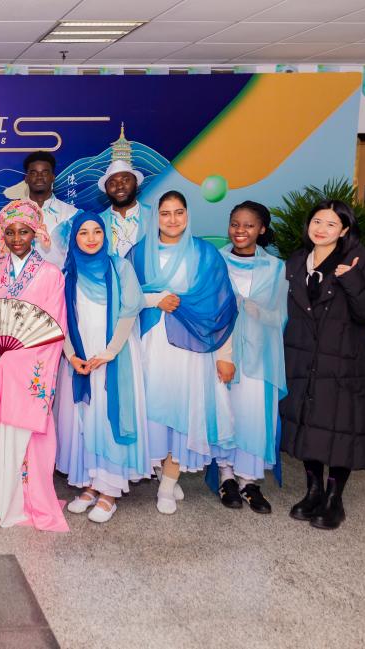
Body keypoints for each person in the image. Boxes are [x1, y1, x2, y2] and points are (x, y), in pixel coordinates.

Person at [128, 190, 239, 515]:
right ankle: (164, 471)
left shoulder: (205, 255)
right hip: (150, 345)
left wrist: (225, 355)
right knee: (153, 412)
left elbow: (222, 309)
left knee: (182, 412)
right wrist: (155, 299)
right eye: (165, 213)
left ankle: (168, 483)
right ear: (156, 217)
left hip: (192, 348)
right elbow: (124, 296)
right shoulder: (138, 254)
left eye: (179, 212)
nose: (172, 219)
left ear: (187, 215)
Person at [0, 199, 69, 532]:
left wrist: (19, 356)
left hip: (30, 369)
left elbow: (54, 327)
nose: (17, 238)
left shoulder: (51, 275)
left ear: (35, 233)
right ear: (2, 235)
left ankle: (26, 500)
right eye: (10, 232)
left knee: (28, 437)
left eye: (24, 231)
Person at [281, 200, 365, 530]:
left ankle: (334, 499)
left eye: (330, 224)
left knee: (341, 426)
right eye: (317, 221)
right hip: (303, 356)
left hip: (343, 360)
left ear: (344, 230)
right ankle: (313, 491)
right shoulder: (297, 261)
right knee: (309, 423)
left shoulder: (355, 261)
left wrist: (351, 279)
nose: (321, 229)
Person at [59, 214, 150, 523]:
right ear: (74, 238)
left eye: (97, 231)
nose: (91, 238)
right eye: (83, 232)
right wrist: (71, 355)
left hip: (114, 356)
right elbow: (61, 317)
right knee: (85, 419)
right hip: (81, 358)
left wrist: (110, 352)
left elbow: (130, 310)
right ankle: (89, 485)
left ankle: (109, 491)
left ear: (105, 235)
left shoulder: (120, 267)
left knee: (109, 419)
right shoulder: (69, 271)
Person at [212, 201, 288, 513]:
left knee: (255, 414)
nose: (240, 230)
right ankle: (226, 476)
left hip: (260, 354)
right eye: (235, 224)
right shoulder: (216, 261)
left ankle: (249, 480)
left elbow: (281, 315)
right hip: (223, 350)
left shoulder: (275, 267)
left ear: (262, 229)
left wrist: (256, 309)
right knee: (225, 411)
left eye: (248, 225)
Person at [22, 151, 78, 269]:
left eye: (45, 172)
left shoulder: (71, 213)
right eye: (34, 173)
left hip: (60, 278)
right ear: (26, 178)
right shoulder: (12, 213)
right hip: (20, 279)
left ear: (53, 177)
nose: (39, 177)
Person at [97, 160, 151, 258]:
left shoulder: (155, 215)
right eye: (112, 183)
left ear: (136, 184)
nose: (120, 186)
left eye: (126, 180)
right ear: (106, 190)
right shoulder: (98, 222)